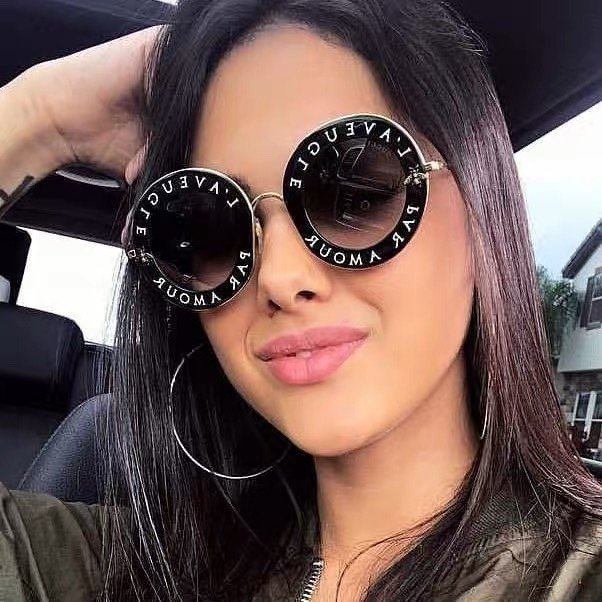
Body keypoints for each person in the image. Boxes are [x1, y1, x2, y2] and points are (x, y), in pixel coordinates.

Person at [0, 1, 601, 600]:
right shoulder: (133, 569)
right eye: (210, 230)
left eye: (356, 192)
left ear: (479, 201)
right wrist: (42, 115)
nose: (280, 278)